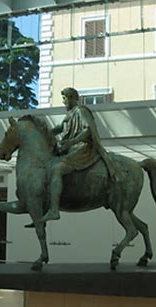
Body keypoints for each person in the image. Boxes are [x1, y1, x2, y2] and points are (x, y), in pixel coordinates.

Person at [39, 87, 119, 223]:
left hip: (83, 148)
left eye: (65, 99)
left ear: (72, 98)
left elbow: (88, 130)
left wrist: (71, 142)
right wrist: (42, 134)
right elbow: (59, 128)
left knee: (57, 169)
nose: (63, 102)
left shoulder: (81, 111)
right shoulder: (70, 114)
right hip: (70, 148)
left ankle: (54, 209)